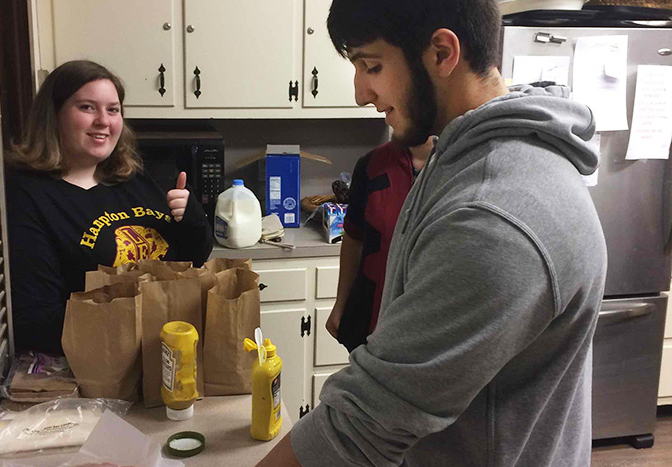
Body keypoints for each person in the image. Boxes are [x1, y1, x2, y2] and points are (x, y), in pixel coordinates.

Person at [259, 0, 607, 466]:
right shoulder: (464, 152)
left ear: (442, 53)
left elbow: (363, 427)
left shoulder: (494, 217)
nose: (362, 92)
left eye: (372, 66)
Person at [6, 60, 213, 355]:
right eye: (87, 107)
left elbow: (191, 261)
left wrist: (191, 219)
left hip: (167, 349)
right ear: (54, 116)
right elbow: (38, 318)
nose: (104, 121)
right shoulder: (30, 197)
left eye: (113, 110)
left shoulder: (131, 177)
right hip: (102, 365)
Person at [326, 137, 435, 352]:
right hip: (371, 315)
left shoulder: (460, 164)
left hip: (428, 322)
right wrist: (341, 303)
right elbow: (353, 237)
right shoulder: (371, 164)